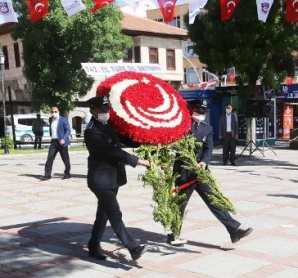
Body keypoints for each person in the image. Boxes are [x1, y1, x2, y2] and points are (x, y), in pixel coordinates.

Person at [167, 99, 253, 246]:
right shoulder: (182, 126)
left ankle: (234, 230)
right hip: (184, 173)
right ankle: (173, 235)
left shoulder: (207, 129)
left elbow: (209, 148)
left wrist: (204, 162)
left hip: (200, 173)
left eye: (203, 112)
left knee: (214, 200)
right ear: (192, 110)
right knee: (180, 204)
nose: (200, 114)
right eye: (198, 111)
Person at [84, 95, 150, 261]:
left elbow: (122, 140)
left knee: (103, 214)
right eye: (102, 110)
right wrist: (139, 161)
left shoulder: (107, 125)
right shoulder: (92, 131)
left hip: (112, 178)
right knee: (115, 213)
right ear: (92, 110)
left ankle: (93, 246)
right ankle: (133, 248)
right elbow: (113, 152)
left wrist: (145, 139)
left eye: (107, 109)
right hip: (100, 181)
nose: (105, 112)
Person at [42, 106, 71, 180]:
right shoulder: (50, 119)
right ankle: (47, 175)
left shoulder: (63, 120)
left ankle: (67, 173)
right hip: (54, 142)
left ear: (58, 112)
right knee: (49, 158)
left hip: (62, 142)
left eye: (55, 112)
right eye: (52, 112)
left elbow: (68, 130)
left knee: (65, 159)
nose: (54, 113)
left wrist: (64, 139)